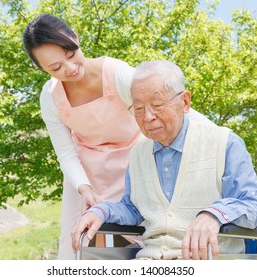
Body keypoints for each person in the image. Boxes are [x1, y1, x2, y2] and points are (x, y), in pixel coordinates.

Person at [22, 14, 212, 260]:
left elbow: (168, 106)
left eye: (70, 54)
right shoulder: (50, 96)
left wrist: (218, 137)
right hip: (86, 173)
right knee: (76, 240)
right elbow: (65, 152)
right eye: (56, 68)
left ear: (75, 37)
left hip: (134, 163)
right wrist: (83, 188)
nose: (70, 69)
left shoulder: (116, 73)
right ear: (42, 70)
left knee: (151, 233)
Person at [72, 60, 257, 260]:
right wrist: (100, 211)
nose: (147, 117)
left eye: (157, 105)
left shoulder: (225, 143)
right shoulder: (138, 154)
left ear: (184, 102)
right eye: (139, 109)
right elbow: (132, 209)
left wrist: (214, 214)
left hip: (209, 261)